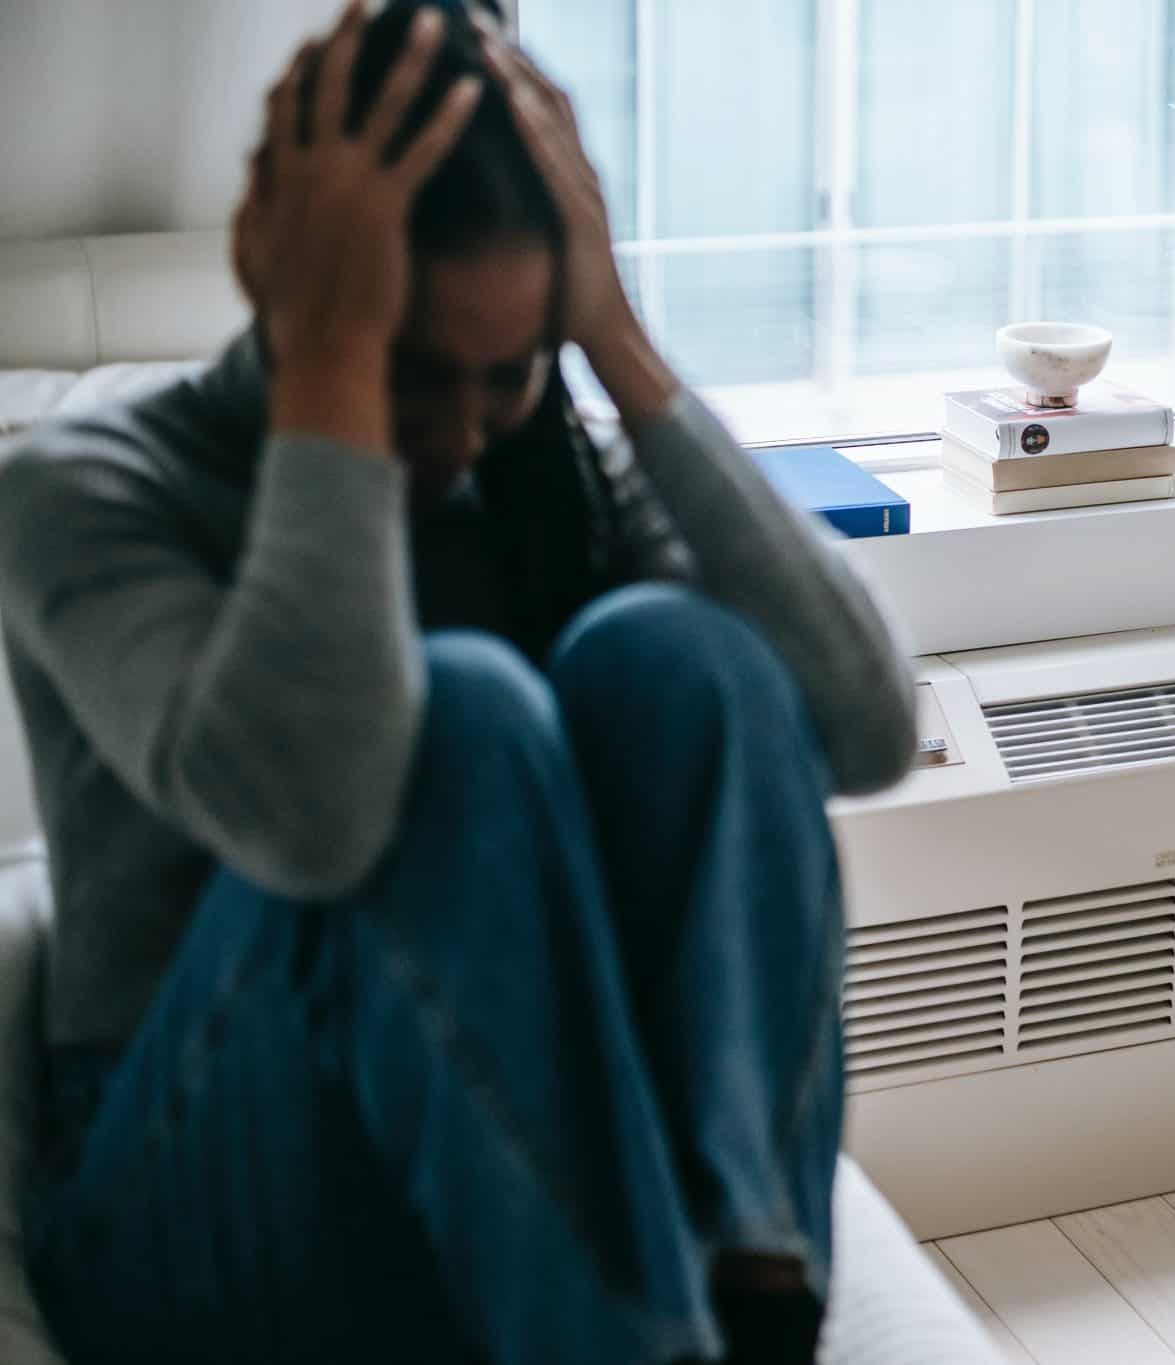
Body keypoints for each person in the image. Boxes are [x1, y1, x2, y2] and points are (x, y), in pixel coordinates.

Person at [0, 2, 916, 1361]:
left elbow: (866, 726)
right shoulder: (88, 486)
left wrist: (619, 347)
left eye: (512, 375)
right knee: (468, 713)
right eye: (413, 373)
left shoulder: (554, 476)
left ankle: (755, 1304)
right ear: (289, 272)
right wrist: (329, 374)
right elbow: (315, 816)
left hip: (496, 1167)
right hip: (184, 1198)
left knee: (684, 657)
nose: (463, 435)